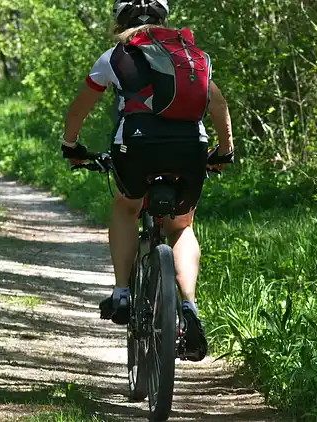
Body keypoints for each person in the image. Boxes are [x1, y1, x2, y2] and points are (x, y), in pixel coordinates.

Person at [59, 0, 234, 361]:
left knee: (126, 206)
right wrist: (224, 152)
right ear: (163, 20)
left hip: (136, 147)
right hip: (190, 148)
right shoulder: (192, 56)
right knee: (181, 226)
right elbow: (217, 105)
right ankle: (189, 308)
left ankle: (122, 292)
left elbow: (80, 108)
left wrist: (71, 146)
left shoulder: (114, 57)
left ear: (119, 21)